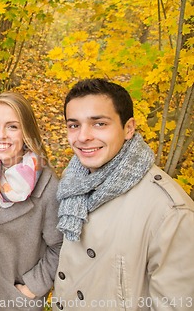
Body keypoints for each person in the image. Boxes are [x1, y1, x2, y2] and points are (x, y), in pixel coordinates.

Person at [52, 78, 194, 310]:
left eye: (99, 124)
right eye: (74, 125)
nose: (83, 136)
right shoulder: (73, 180)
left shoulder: (170, 212)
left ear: (128, 128)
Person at [0, 92, 62, 310]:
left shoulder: (47, 186)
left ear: (26, 131)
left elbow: (61, 247)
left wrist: (31, 287)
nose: (0, 135)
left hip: (20, 299)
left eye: (12, 127)